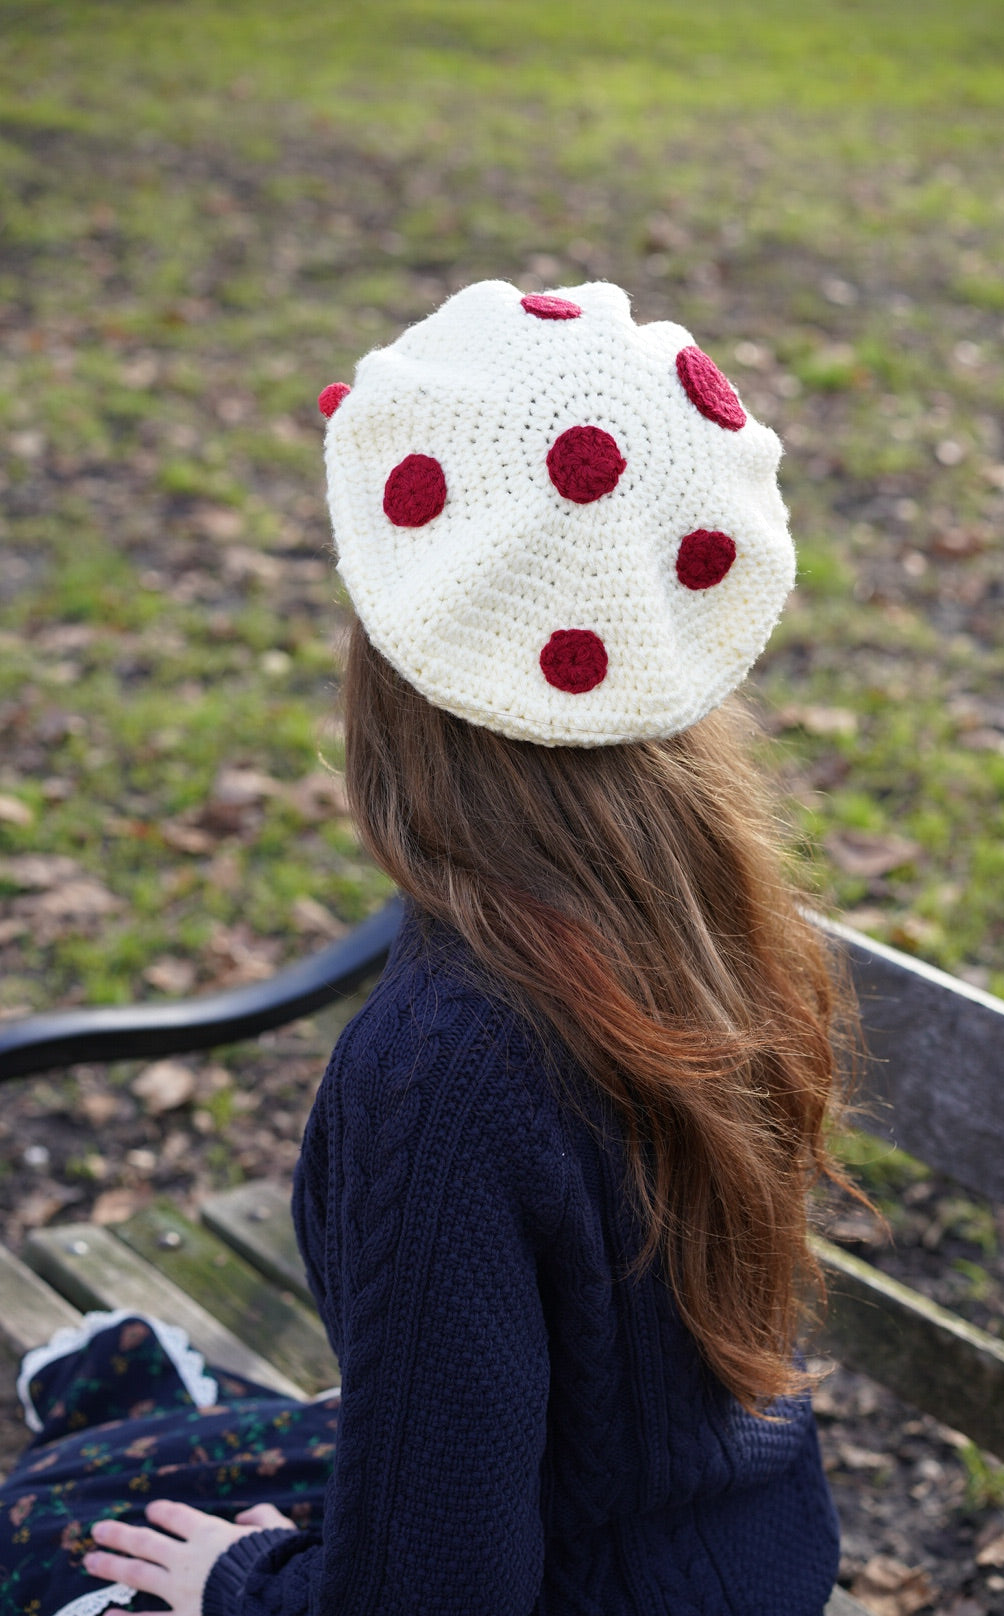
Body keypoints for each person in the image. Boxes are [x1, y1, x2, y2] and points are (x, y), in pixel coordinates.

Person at [1, 280, 855, 1616]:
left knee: (34, 1542)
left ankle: (153, 1418)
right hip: (731, 1553)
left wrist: (237, 1585)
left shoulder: (446, 1073)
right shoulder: (712, 917)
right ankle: (149, 1400)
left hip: (557, 1579)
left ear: (400, 652)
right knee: (106, 1485)